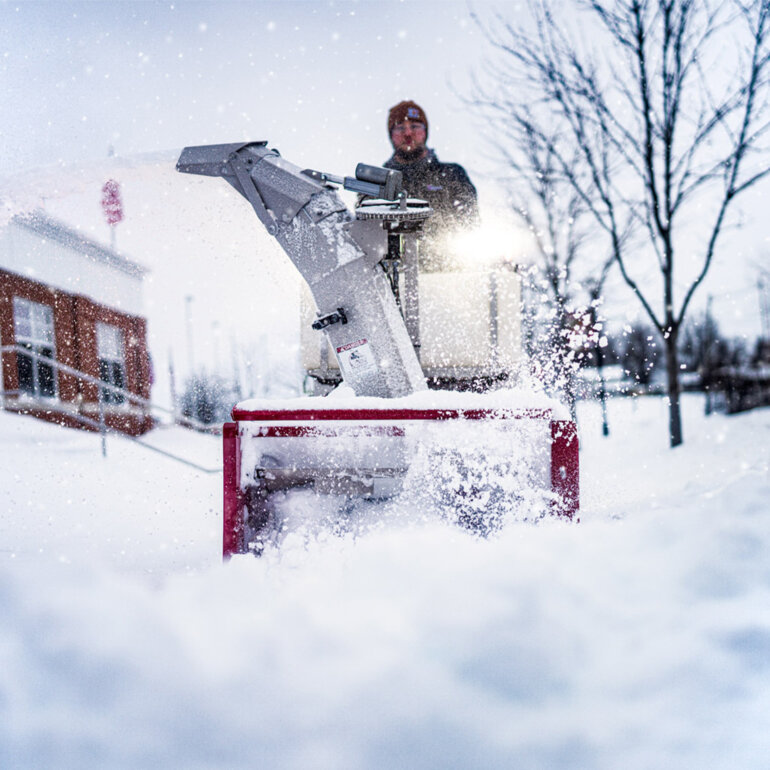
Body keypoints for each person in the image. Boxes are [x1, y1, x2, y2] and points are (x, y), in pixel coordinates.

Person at [380, 100, 479, 270]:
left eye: (415, 126)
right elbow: (367, 234)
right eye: (400, 128)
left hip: (451, 273)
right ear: (391, 134)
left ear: (425, 131)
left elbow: (470, 223)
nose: (408, 134)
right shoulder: (378, 181)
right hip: (392, 279)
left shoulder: (452, 175)